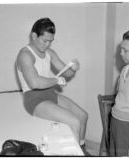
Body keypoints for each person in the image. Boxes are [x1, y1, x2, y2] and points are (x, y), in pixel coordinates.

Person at [16, 17, 89, 155]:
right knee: (74, 122)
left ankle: (80, 149)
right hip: (34, 99)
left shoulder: (49, 53)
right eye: (45, 41)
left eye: (50, 41)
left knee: (83, 116)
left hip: (49, 94)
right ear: (34, 36)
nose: (47, 45)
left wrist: (73, 68)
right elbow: (35, 82)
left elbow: (66, 73)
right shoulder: (25, 55)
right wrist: (56, 80)